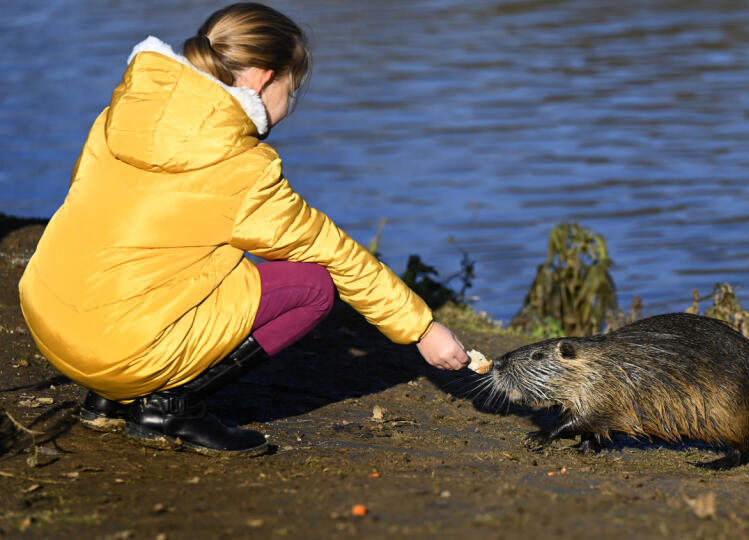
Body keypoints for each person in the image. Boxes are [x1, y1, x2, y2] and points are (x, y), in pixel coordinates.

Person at [18, 2, 469, 457]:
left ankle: (109, 398)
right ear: (261, 78)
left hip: (48, 317)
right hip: (115, 349)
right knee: (312, 285)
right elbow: (332, 253)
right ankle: (170, 406)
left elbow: (86, 202)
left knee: (176, 250)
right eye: (292, 90)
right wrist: (422, 329)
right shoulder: (240, 168)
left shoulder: (124, 112)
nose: (289, 106)